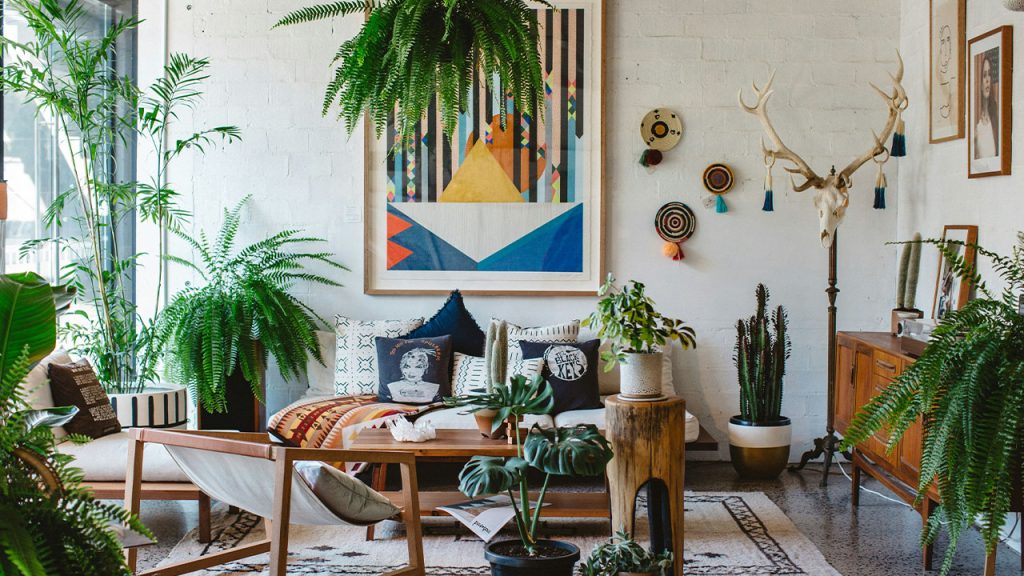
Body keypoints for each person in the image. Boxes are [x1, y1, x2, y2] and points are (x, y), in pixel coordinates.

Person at [974, 51, 999, 159]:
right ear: (980, 84)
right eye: (984, 76)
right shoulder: (977, 125)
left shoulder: (996, 117)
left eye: (989, 74)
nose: (987, 80)